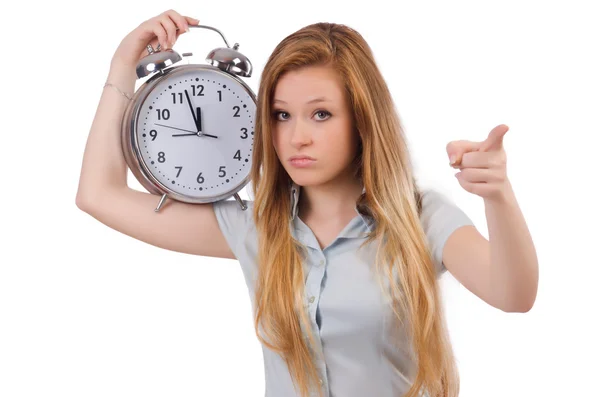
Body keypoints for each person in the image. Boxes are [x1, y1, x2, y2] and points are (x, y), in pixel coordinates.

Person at [76, 9, 538, 397]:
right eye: (281, 115)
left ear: (362, 119)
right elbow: (99, 195)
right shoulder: (256, 230)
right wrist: (123, 66)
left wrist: (497, 194)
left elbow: (513, 294)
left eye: (321, 114)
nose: (297, 137)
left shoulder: (421, 220)